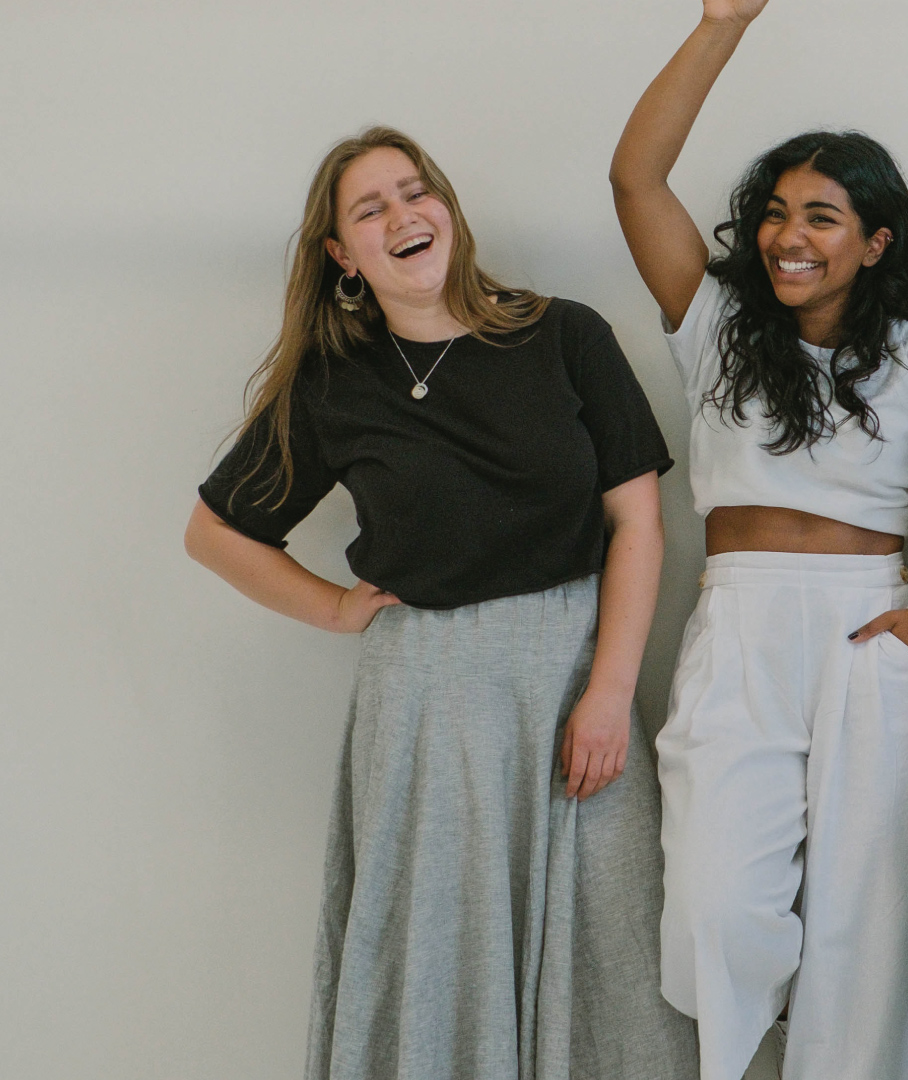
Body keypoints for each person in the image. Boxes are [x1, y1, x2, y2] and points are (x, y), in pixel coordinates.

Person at [183, 127, 696, 1080]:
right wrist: (337, 608)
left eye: (415, 193)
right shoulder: (334, 382)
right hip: (426, 703)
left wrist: (611, 691)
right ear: (341, 254)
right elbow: (214, 532)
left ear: (448, 209)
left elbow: (639, 522)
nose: (401, 217)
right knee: (438, 956)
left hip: (577, 676)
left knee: (615, 943)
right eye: (368, 210)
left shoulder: (564, 334)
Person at [608, 4, 908, 1079]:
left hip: (877, 624)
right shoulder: (717, 321)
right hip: (742, 620)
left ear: (875, 242)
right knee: (717, 908)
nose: (788, 236)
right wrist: (724, 22)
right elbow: (637, 179)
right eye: (775, 213)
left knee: (871, 922)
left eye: (823, 217)